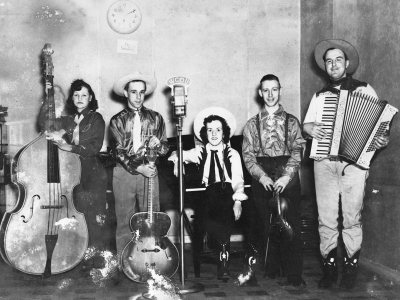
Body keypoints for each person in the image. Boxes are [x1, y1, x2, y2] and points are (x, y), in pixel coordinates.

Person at [303, 39, 390, 289]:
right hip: (324, 164)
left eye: (338, 60)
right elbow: (308, 127)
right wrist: (308, 128)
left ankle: (350, 274)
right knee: (326, 219)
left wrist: (381, 139)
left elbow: (379, 127)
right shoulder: (319, 97)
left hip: (354, 166)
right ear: (324, 67)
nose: (333, 65)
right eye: (328, 61)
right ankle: (329, 272)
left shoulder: (365, 90)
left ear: (347, 63)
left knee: (352, 219)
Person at [168, 107, 247, 279]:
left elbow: (239, 181)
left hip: (228, 196)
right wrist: (177, 161)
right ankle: (222, 252)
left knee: (223, 197)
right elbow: (176, 155)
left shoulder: (233, 154)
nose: (214, 134)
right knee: (213, 197)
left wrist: (238, 201)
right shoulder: (200, 152)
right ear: (204, 133)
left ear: (224, 132)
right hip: (207, 197)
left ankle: (223, 258)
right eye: (210, 130)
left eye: (218, 130)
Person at [242, 74, 306, 286]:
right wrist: (261, 177)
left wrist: (287, 175)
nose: (270, 94)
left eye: (274, 90)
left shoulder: (292, 121)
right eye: (266, 90)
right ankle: (270, 267)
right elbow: (248, 155)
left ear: (280, 91)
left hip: (286, 171)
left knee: (291, 222)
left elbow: (298, 150)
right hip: (262, 172)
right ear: (260, 93)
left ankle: (294, 273)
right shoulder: (251, 124)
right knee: (262, 221)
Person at [42, 79, 108, 269]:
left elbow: (94, 148)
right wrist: (49, 99)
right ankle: (76, 258)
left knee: (94, 217)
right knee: (75, 217)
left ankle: (96, 261)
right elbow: (47, 127)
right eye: (76, 95)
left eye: (84, 95)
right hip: (71, 175)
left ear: (91, 98)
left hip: (92, 173)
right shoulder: (67, 119)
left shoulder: (96, 119)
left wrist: (68, 146)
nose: (80, 98)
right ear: (72, 97)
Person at [109, 72, 169, 267]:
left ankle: (151, 262)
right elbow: (118, 151)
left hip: (149, 173)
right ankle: (125, 265)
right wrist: (139, 168)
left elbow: (165, 148)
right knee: (125, 221)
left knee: (151, 219)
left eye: (141, 93)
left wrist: (158, 144)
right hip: (124, 174)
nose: (138, 97)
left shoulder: (156, 118)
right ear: (126, 93)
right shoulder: (117, 120)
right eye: (133, 92)